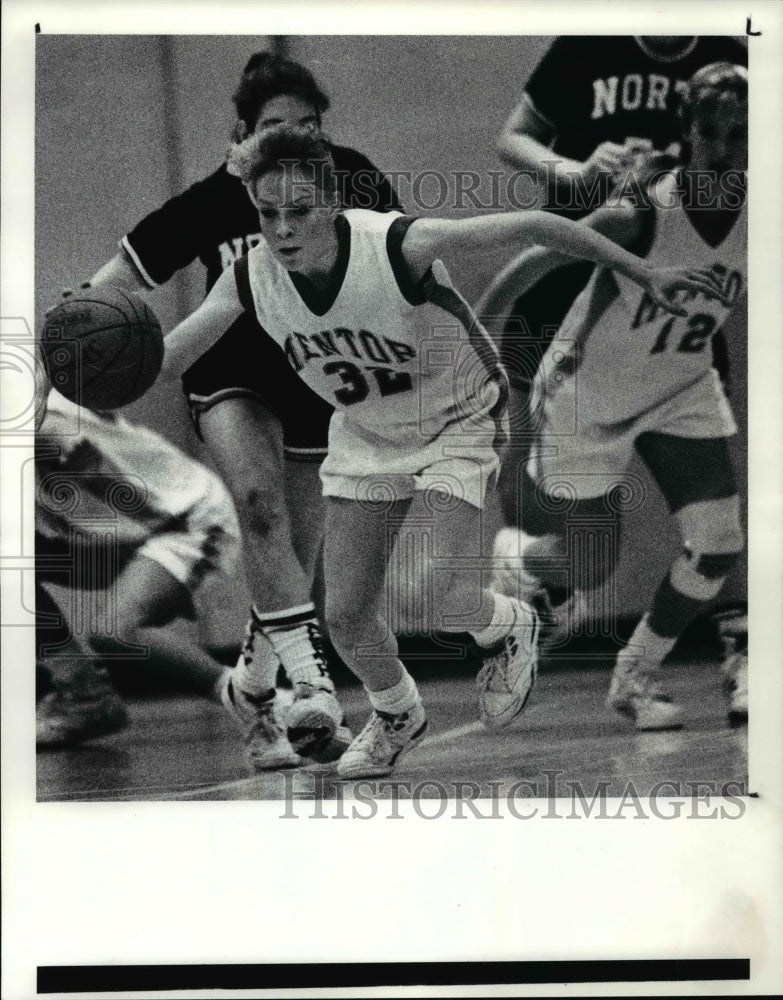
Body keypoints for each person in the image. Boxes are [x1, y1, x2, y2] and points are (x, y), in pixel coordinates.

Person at [154, 123, 726, 778]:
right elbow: (168, 362)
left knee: (442, 593)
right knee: (343, 618)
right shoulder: (249, 278)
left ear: (332, 202)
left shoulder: (401, 244)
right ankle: (397, 713)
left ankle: (510, 625)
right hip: (368, 432)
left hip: (457, 416)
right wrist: (88, 367)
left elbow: (537, 226)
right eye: (267, 213)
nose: (282, 229)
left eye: (299, 210)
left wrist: (640, 270)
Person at [64, 52, 402, 761]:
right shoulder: (215, 198)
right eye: (275, 125)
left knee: (293, 556)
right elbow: (122, 274)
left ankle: (254, 690)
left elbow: (400, 263)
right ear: (241, 135)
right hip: (231, 370)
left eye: (308, 124)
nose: (295, 138)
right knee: (258, 505)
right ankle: (312, 689)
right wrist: (81, 323)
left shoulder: (351, 176)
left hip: (316, 371)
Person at [478, 63, 747, 729]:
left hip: (680, 383)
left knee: (717, 543)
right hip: (585, 393)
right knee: (590, 567)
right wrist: (475, 334)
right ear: (687, 134)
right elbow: (539, 248)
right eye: (713, 132)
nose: (728, 146)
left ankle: (634, 675)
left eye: (744, 133)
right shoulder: (640, 213)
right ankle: (516, 559)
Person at [494, 35, 747, 554]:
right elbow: (512, 139)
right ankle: (534, 588)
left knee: (713, 513)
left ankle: (718, 605)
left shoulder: (733, 58)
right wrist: (578, 171)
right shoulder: (587, 47)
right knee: (537, 483)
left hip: (681, 290)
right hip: (578, 267)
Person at [35, 389, 245, 750]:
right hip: (133, 529)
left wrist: (155, 577)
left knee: (115, 633)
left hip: (188, 518)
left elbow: (135, 499)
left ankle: (257, 699)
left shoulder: (45, 427)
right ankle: (86, 694)